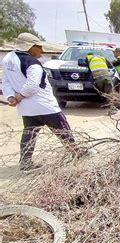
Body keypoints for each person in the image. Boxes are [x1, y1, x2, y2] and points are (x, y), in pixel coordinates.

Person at [1, 33, 84, 170]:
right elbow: (32, 85)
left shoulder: (8, 59)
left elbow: (6, 81)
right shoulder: (32, 63)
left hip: (27, 108)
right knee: (63, 129)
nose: (42, 51)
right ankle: (75, 151)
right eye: (39, 47)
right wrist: (18, 97)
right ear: (30, 47)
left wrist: (10, 96)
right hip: (44, 105)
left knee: (29, 133)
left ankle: (25, 162)